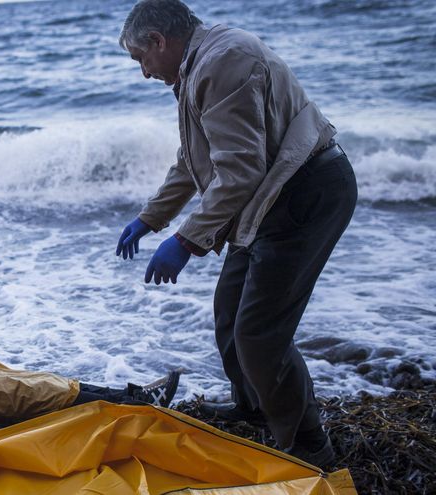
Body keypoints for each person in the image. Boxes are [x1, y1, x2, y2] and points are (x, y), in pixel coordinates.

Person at [114, 0, 357, 467]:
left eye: (140, 59)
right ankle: (256, 409)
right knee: (229, 314)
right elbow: (193, 159)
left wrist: (185, 241)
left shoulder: (224, 62)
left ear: (159, 42)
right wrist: (151, 218)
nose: (143, 72)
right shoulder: (197, 66)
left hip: (305, 193)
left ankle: (310, 446)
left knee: (260, 333)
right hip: (271, 195)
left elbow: (240, 171)